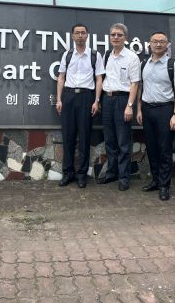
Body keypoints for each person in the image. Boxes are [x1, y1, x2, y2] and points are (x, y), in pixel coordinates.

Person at [136, 31, 175, 201]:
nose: (158, 44)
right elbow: (140, 88)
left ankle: (164, 185)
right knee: (151, 148)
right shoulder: (144, 64)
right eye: (155, 41)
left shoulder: (173, 65)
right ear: (149, 44)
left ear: (167, 45)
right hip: (147, 109)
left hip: (166, 110)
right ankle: (156, 181)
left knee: (164, 149)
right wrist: (139, 110)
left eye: (162, 41)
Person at [56, 23, 105, 188]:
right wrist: (59, 99)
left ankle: (82, 175)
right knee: (68, 137)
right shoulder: (67, 54)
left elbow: (99, 79)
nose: (80, 35)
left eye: (83, 33)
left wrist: (96, 101)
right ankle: (68, 173)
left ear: (87, 35)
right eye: (77, 33)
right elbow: (61, 77)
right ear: (72, 36)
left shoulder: (95, 55)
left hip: (86, 97)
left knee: (84, 137)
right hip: (69, 96)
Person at [97, 23, 141, 191]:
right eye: (113, 34)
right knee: (110, 140)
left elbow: (135, 83)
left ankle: (124, 177)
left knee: (123, 142)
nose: (116, 37)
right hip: (107, 99)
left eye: (119, 35)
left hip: (123, 100)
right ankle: (111, 173)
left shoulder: (132, 57)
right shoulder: (107, 54)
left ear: (125, 38)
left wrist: (130, 106)